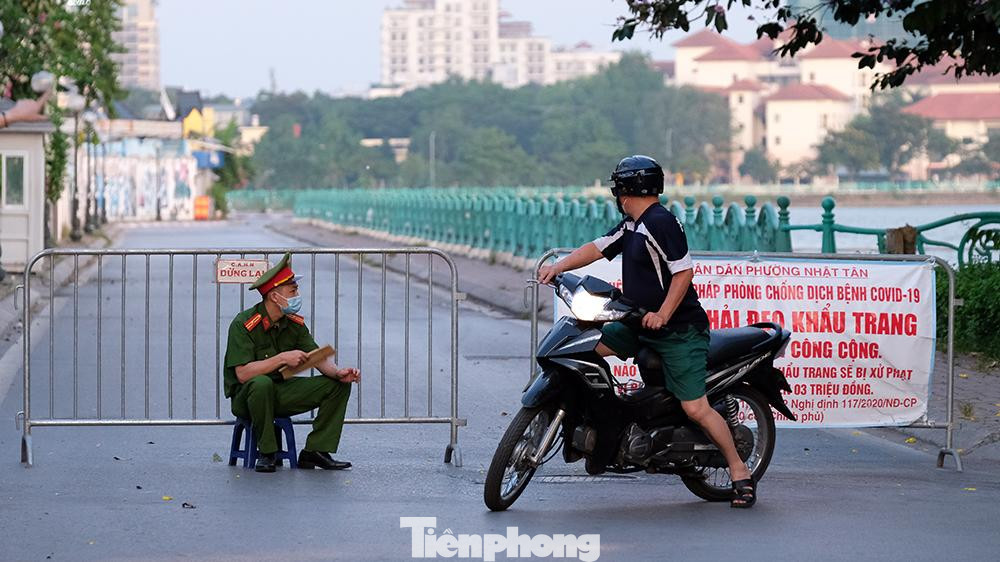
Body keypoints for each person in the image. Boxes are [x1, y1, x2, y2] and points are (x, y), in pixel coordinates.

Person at [537, 155, 756, 508]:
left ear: (626, 189)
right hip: (636, 322)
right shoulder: (632, 224)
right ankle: (604, 427)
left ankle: (738, 470)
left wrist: (663, 313)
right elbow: (596, 248)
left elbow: (684, 273)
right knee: (582, 351)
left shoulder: (661, 222)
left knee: (696, 407)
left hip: (679, 330)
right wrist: (557, 267)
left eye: (618, 185)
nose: (616, 192)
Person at [224, 253, 360, 473]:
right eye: (293, 291)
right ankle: (267, 452)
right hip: (247, 397)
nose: (298, 295)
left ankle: (315, 451)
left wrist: (338, 373)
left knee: (337, 385)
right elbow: (242, 374)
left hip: (279, 392)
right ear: (275, 297)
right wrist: (282, 358)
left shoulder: (294, 324)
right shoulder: (244, 324)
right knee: (261, 384)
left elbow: (316, 356)